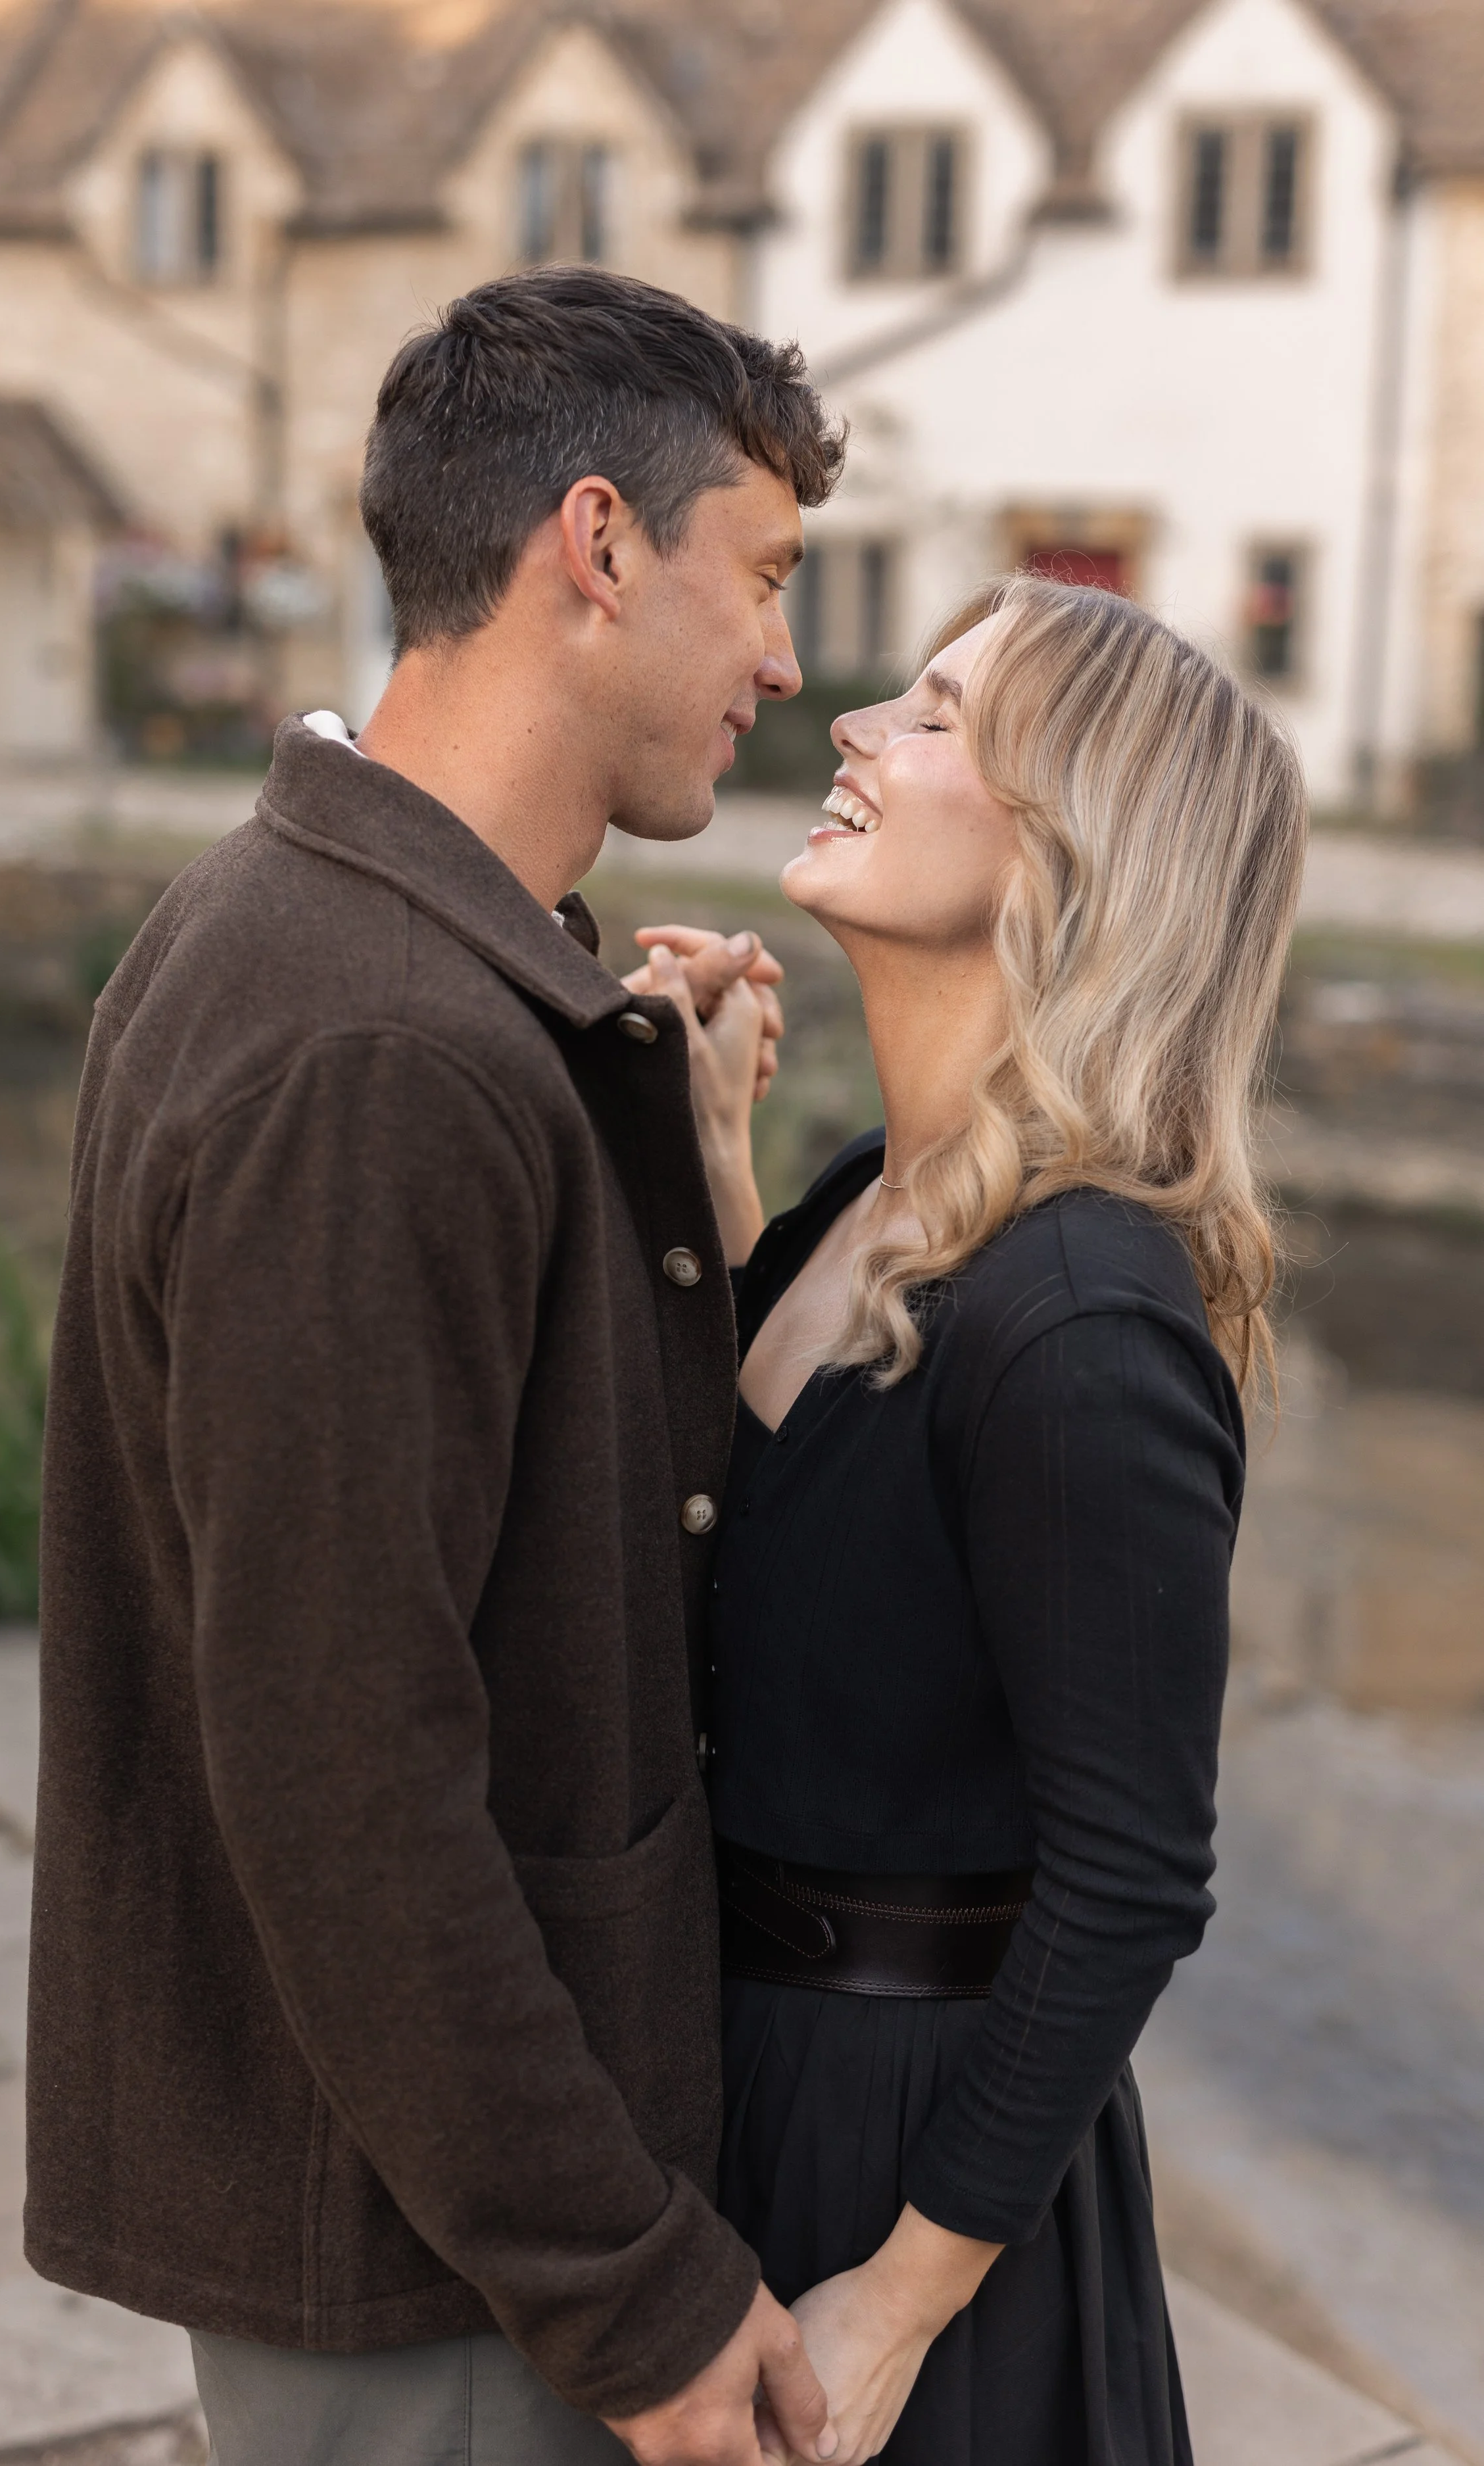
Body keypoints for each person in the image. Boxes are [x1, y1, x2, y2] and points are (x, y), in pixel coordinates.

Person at [25, 266, 849, 2466]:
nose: (785, 658)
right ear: (596, 545)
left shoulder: (346, 937)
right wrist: (634, 2288)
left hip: (435, 2218)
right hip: (449, 2271)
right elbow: (338, 1760)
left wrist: (669, 1164)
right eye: (760, 578)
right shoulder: (377, 1044)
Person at [636, 575, 1308, 2465]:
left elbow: (1129, 1879)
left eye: (934, 715)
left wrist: (900, 2294)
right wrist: (715, 1184)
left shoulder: (1081, 1316)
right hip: (748, 2080)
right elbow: (797, 1583)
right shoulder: (873, 1190)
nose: (850, 724)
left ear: (1067, 855)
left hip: (910, 2163)